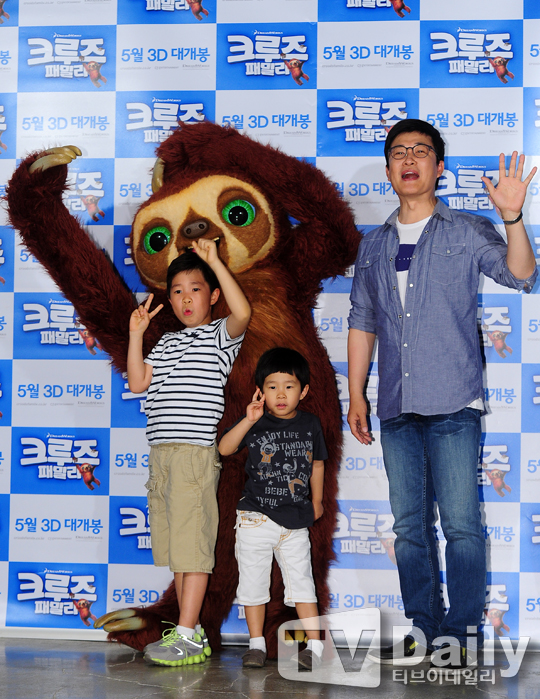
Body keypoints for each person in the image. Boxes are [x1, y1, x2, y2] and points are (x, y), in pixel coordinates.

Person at [347, 119, 538, 672]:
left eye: (421, 151)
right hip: (395, 403)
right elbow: (362, 321)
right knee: (409, 528)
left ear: (439, 168)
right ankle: (423, 625)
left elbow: (521, 275)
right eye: (399, 152)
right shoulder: (374, 244)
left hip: (454, 400)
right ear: (389, 170)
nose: (409, 160)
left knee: (460, 525)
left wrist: (512, 217)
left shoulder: (467, 230)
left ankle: (463, 632)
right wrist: (356, 395)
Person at [128, 238, 251, 666]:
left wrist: (214, 260)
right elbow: (138, 382)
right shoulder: (164, 343)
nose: (185, 298)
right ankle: (190, 631)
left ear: (212, 295)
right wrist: (136, 335)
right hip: (161, 456)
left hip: (193, 457)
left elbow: (243, 314)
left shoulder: (218, 337)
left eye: (195, 289)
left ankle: (186, 636)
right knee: (178, 552)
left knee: (193, 550)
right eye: (176, 290)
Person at [218, 347, 327, 670]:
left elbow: (317, 464)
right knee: (253, 585)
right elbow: (224, 448)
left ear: (303, 391)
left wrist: (317, 501)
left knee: (303, 585)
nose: (281, 394)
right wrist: (248, 419)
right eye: (272, 386)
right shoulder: (255, 422)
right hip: (255, 518)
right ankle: (256, 645)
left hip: (295, 521)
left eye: (289, 386)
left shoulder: (311, 424)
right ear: (260, 391)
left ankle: (315, 647)